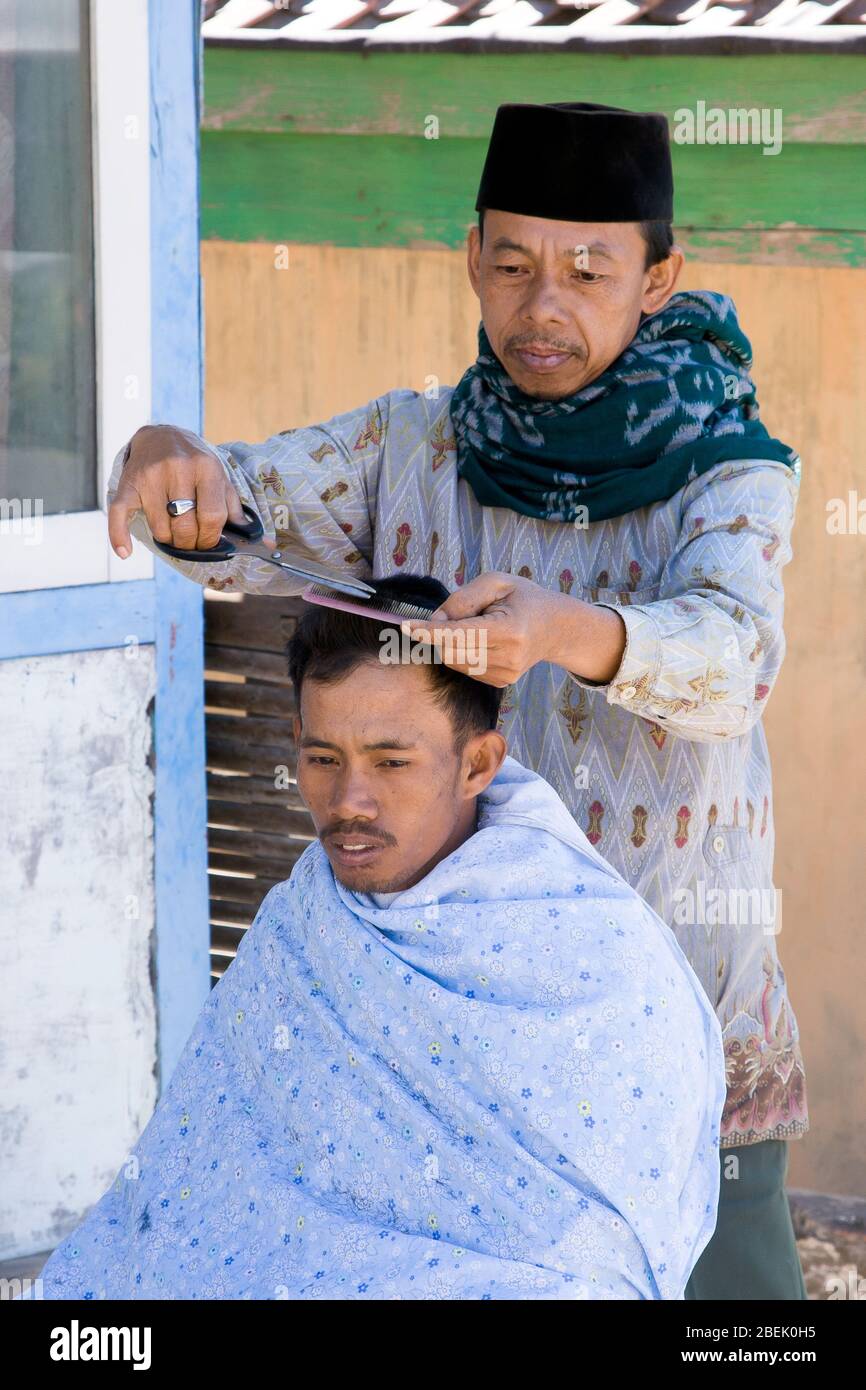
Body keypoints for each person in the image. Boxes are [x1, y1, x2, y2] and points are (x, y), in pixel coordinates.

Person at [106, 102, 808, 1300]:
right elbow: (241, 515)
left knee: (733, 1314)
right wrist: (171, 455)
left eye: (589, 271)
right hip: (460, 1051)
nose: (543, 305)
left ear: (657, 276)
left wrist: (563, 630)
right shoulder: (411, 446)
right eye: (511, 264)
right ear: (469, 254)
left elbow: (732, 656)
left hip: (672, 1019)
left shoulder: (725, 469)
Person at [32, 575, 724, 1301]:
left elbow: (601, 1262)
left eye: (392, 763)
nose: (349, 803)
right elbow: (184, 1197)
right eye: (323, 759)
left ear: (478, 765)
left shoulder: (600, 958)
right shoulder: (301, 924)